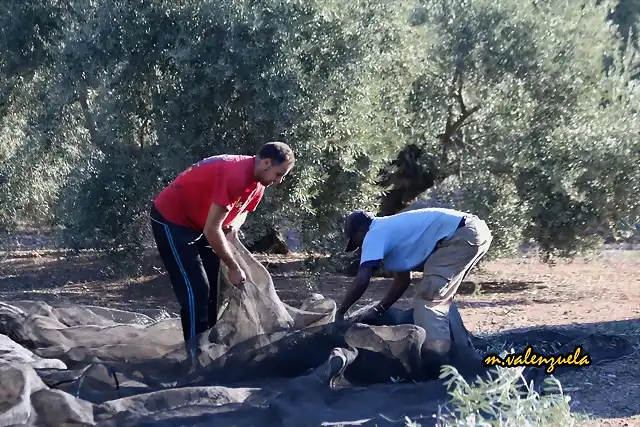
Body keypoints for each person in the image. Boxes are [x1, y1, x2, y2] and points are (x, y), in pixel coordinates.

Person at [149, 142, 295, 345]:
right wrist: (233, 266)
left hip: (202, 223)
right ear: (266, 163)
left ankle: (208, 344)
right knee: (197, 290)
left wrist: (233, 224)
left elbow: (242, 212)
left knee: (215, 288)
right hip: (172, 220)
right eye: (279, 174)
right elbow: (212, 230)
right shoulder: (236, 176)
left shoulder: (258, 184)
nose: (279, 181)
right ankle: (194, 356)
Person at [336, 205, 492, 375]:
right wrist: (380, 309)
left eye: (357, 241)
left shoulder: (374, 233)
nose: (360, 247)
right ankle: (462, 355)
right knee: (440, 298)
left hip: (461, 235)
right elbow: (403, 281)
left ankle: (438, 365)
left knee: (428, 300)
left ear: (361, 230)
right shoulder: (392, 231)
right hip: (473, 232)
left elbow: (362, 279)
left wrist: (341, 311)